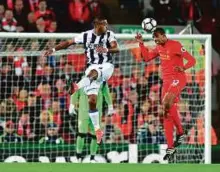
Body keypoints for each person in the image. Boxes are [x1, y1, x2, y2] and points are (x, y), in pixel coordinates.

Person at [44, 16, 119, 144]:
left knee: (94, 74)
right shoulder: (85, 35)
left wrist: (106, 49)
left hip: (107, 66)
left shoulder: (109, 34)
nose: (106, 27)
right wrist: (54, 49)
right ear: (96, 25)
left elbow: (116, 49)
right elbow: (68, 43)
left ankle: (77, 86)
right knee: (92, 100)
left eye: (106, 25)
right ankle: (97, 130)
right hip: (91, 68)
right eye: (103, 25)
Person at [135, 28, 196, 160]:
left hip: (178, 78)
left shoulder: (176, 45)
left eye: (157, 37)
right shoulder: (158, 48)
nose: (156, 40)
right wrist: (141, 43)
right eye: (154, 38)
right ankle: (171, 145)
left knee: (167, 103)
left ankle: (181, 132)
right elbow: (146, 58)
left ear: (164, 35)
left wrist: (183, 68)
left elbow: (192, 60)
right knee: (165, 113)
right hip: (167, 83)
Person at [69, 82, 113, 162]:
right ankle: (78, 156)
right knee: (81, 134)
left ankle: (92, 158)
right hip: (83, 113)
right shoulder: (82, 81)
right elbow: (74, 93)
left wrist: (110, 105)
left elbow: (106, 93)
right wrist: (72, 105)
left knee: (95, 135)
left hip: (96, 112)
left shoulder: (102, 82)